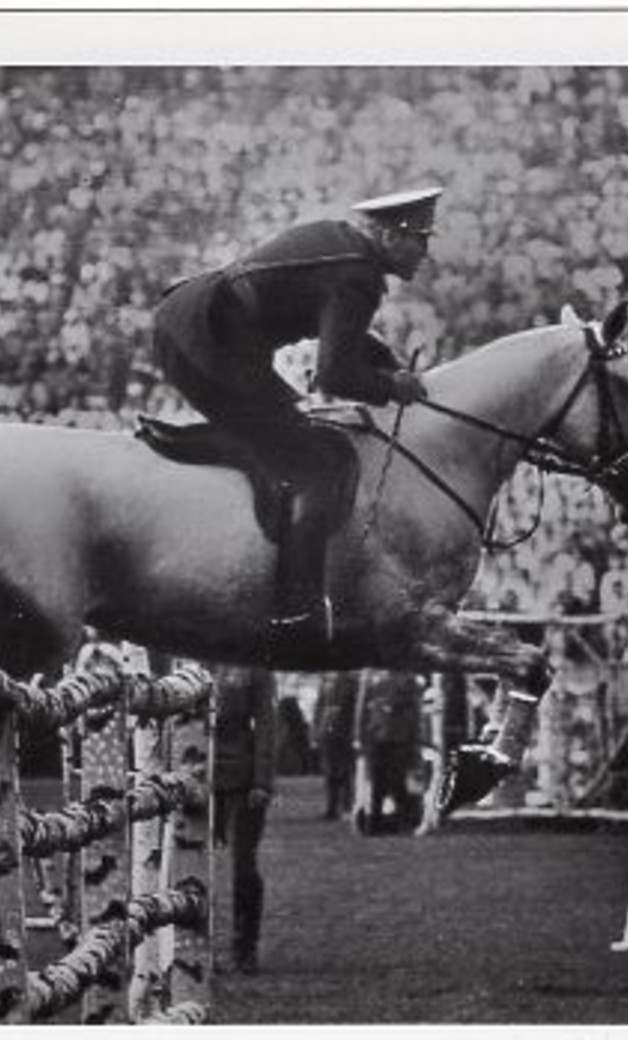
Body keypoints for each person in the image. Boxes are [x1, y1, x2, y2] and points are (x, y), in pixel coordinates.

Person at [151, 187, 443, 648]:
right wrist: (393, 386)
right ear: (388, 236)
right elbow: (334, 375)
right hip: (204, 342)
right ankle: (297, 610)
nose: (425, 253)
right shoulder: (358, 275)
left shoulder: (345, 247)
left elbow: (346, 338)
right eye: (419, 239)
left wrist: (384, 364)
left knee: (294, 433)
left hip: (196, 323)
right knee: (322, 465)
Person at [210, 663, 281, 974]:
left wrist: (262, 781)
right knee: (187, 864)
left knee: (244, 866)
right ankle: (192, 948)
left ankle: (245, 948)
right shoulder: (190, 656)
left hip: (243, 777)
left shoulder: (254, 664)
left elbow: (266, 723)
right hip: (197, 773)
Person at [355, 669, 424, 835]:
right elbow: (365, 706)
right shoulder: (373, 676)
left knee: (396, 780)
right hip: (379, 735)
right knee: (379, 781)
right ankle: (376, 822)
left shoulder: (407, 678)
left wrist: (388, 704)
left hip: (398, 736)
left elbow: (409, 705)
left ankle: (404, 820)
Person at [312, 670, 360, 820]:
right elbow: (321, 708)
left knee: (343, 772)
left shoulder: (348, 681)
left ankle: (344, 806)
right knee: (332, 772)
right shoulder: (328, 681)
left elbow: (335, 708)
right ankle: (333, 807)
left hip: (342, 732)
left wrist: (320, 729)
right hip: (331, 733)